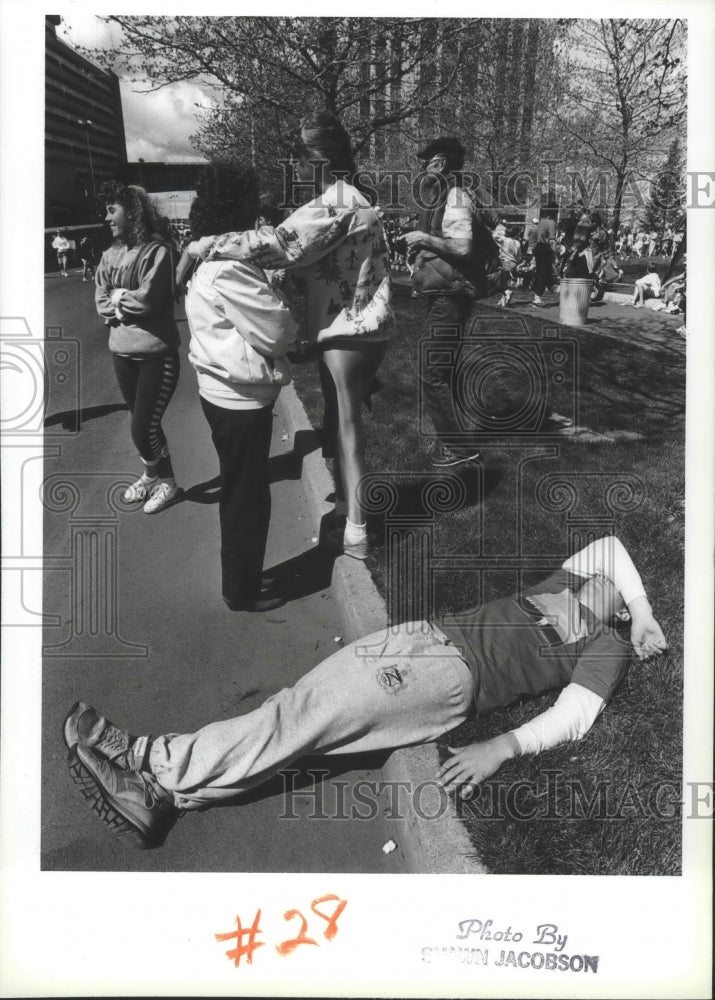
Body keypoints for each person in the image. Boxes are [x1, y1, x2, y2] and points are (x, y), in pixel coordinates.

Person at [63, 534, 667, 849]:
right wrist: (642, 607)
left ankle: (149, 759)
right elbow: (613, 546)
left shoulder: (604, 644)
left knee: (298, 714)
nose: (612, 582)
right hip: (422, 636)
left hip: (450, 677)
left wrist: (502, 748)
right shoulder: (569, 578)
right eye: (620, 589)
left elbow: (576, 716)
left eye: (624, 595)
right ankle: (167, 796)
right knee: (299, 719)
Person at [183, 113, 393, 560]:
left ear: (316, 158)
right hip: (358, 328)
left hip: (348, 330)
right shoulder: (345, 198)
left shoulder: (338, 201)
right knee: (341, 426)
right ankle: (347, 509)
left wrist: (203, 245)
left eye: (296, 155)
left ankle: (357, 530)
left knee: (348, 429)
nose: (290, 164)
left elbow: (275, 245)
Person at [185, 163, 298, 612]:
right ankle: (241, 587)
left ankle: (241, 577)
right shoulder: (230, 270)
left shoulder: (206, 259)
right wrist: (285, 303)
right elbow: (276, 333)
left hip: (220, 391)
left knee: (240, 488)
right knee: (247, 495)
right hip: (239, 399)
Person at [403, 136, 500, 469]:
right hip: (446, 293)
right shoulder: (446, 195)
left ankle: (460, 448)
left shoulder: (456, 195)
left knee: (431, 373)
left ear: (441, 163)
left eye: (426, 163)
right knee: (444, 371)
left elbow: (461, 248)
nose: (422, 169)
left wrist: (422, 239)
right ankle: (456, 442)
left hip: (450, 296)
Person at [95, 182, 182, 514]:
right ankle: (156, 477)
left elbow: (149, 299)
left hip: (155, 355)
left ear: (132, 212)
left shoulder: (158, 251)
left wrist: (118, 299)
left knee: (141, 427)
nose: (106, 218)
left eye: (111, 210)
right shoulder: (110, 254)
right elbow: (100, 300)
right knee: (148, 423)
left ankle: (168, 483)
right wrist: (119, 301)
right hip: (121, 353)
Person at [531, 212, 558, 306]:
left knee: (540, 272)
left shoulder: (541, 221)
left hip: (538, 247)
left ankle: (537, 296)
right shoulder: (551, 222)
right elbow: (552, 240)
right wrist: (555, 255)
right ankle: (538, 296)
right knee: (544, 272)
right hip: (546, 249)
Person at [493, 223, 521, 306]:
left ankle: (507, 293)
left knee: (501, 282)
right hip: (514, 263)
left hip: (505, 262)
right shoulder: (517, 242)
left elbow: (494, 235)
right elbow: (519, 256)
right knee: (506, 282)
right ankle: (502, 300)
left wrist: (498, 230)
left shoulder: (504, 239)